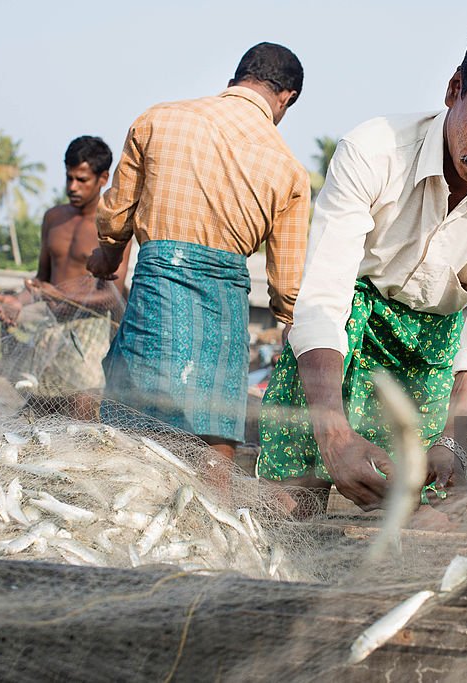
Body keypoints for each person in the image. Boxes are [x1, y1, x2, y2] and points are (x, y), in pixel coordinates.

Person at [258, 7, 467, 513]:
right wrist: (335, 435)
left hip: (431, 352)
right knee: (294, 500)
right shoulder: (373, 151)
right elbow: (323, 300)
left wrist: (453, 440)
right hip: (344, 331)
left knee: (413, 509)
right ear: (454, 89)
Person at [87, 43, 310, 464]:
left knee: (131, 429)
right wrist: (287, 322)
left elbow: (117, 214)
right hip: (225, 306)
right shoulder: (290, 168)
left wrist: (108, 256)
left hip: (158, 289)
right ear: (287, 97)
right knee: (216, 433)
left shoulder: (158, 119)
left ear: (235, 80)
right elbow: (287, 281)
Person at [0, 136, 129, 420]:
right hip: (52, 329)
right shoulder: (53, 218)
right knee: (39, 412)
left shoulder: (114, 224)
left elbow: (111, 295)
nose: (72, 187)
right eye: (69, 178)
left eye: (82, 180)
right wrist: (17, 301)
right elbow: (41, 281)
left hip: (91, 333)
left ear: (103, 178)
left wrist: (58, 295)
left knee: (82, 411)